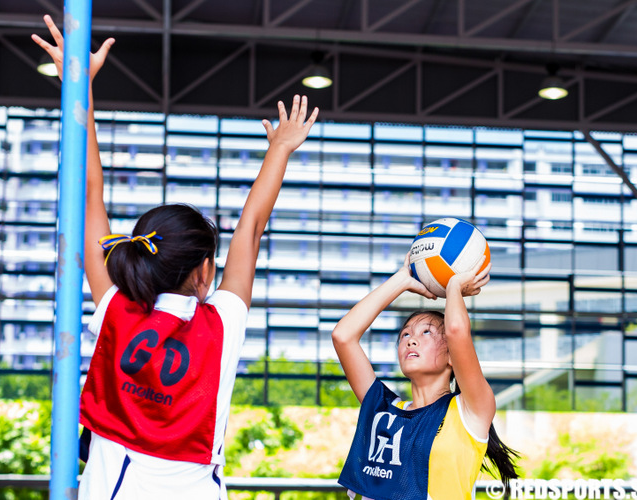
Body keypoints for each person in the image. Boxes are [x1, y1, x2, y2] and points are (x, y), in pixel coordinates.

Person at [33, 15, 318, 500]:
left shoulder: (116, 312)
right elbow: (251, 226)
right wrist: (281, 150)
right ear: (204, 272)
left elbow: (88, 197)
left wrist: (78, 87)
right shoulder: (221, 325)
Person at [331, 253, 518, 500]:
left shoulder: (471, 410)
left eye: (426, 332)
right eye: (405, 335)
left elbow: (456, 330)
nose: (411, 340)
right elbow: (343, 336)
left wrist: (453, 287)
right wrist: (401, 280)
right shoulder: (383, 409)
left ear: (452, 356)